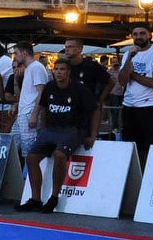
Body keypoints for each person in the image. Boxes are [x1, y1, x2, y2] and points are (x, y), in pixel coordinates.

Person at [20, 61, 98, 213]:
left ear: (69, 72)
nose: (58, 72)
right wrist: (42, 129)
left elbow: (96, 110)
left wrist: (93, 135)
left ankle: (54, 197)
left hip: (72, 129)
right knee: (31, 158)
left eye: (62, 69)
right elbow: (44, 108)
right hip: (51, 129)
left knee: (59, 155)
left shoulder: (79, 88)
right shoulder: (49, 87)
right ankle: (35, 199)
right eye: (56, 69)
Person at [116, 25, 153, 167]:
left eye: (142, 33)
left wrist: (133, 74)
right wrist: (129, 60)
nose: (138, 36)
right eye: (135, 34)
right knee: (130, 147)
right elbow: (122, 81)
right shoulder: (128, 54)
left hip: (150, 106)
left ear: (150, 35)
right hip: (129, 106)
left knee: (151, 147)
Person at [61, 37, 114, 144]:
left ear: (80, 49)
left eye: (70, 47)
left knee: (86, 142)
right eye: (65, 47)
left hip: (87, 113)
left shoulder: (91, 65)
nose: (67, 49)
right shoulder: (64, 66)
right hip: (67, 112)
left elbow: (110, 82)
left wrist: (100, 100)